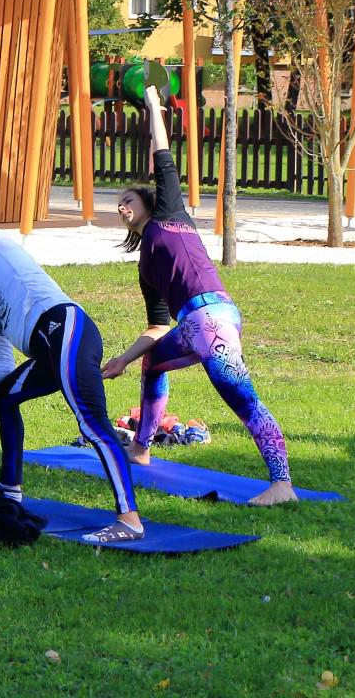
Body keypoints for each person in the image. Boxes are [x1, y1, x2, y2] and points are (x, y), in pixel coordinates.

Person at [103, 86, 296, 505]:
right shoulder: (146, 266)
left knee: (242, 398)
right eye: (118, 203)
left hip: (212, 320)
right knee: (154, 362)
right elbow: (157, 328)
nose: (121, 207)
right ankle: (140, 448)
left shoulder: (170, 215)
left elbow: (162, 154)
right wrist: (123, 359)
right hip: (193, 326)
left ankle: (282, 485)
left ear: (148, 202)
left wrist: (153, 107)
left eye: (128, 199)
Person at [0, 209, 144, 544]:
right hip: (46, 352)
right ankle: (9, 489)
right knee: (4, 395)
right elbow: (2, 362)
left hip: (66, 328)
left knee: (92, 423)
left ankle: (130, 521)